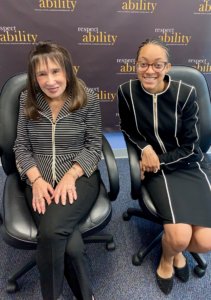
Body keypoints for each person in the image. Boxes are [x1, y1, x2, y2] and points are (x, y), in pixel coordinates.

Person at [117, 38, 211, 294]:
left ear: (167, 67)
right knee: (180, 236)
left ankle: (176, 249)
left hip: (189, 165)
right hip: (158, 172)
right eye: (143, 64)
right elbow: (127, 128)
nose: (149, 71)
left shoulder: (185, 93)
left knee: (205, 241)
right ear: (136, 65)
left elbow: (193, 148)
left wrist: (158, 161)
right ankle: (168, 258)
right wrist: (146, 149)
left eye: (157, 65)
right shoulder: (126, 91)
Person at [13, 41, 102, 300]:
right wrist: (36, 180)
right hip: (38, 180)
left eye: (56, 71)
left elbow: (94, 146)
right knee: (72, 247)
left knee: (51, 232)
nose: (50, 80)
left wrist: (71, 175)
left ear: (67, 71)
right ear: (34, 77)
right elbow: (21, 146)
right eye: (42, 74)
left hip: (79, 176)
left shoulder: (86, 98)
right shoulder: (27, 99)